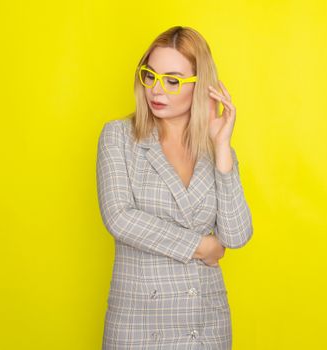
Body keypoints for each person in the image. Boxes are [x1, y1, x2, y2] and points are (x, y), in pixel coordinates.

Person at [96, 25, 253, 349]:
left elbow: (236, 235)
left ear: (201, 87)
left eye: (173, 81)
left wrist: (222, 146)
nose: (156, 90)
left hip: (204, 324)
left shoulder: (214, 150)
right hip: (139, 324)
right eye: (149, 75)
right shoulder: (119, 137)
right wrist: (201, 246)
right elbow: (120, 218)